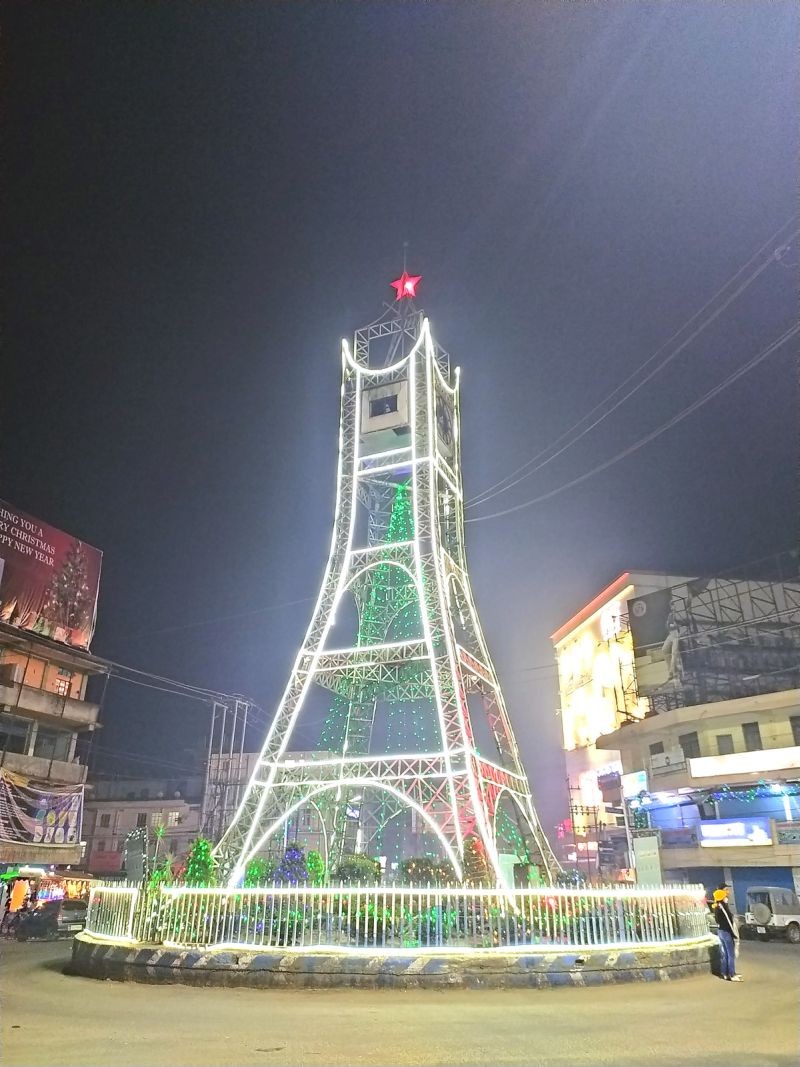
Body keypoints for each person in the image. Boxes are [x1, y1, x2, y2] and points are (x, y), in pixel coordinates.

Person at [713, 885, 742, 981]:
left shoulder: (717, 906)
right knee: (730, 954)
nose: (728, 892)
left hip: (721, 931)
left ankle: (724, 973)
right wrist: (733, 933)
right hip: (726, 932)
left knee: (725, 953)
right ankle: (731, 974)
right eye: (726, 890)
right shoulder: (722, 906)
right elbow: (729, 921)